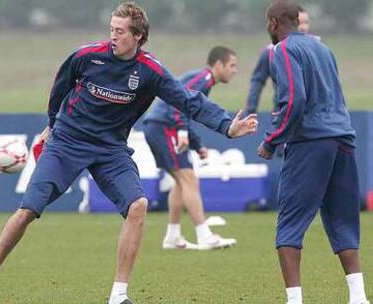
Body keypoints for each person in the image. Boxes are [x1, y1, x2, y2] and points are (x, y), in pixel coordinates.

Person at [0, 2, 258, 304]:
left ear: (138, 36)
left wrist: (227, 126)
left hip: (110, 150)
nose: (113, 37)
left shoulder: (150, 71)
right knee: (28, 210)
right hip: (67, 141)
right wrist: (52, 125)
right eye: (112, 30)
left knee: (138, 205)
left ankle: (118, 296)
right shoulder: (86, 56)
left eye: (120, 32)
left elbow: (189, 100)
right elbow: (59, 88)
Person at [257, 1, 370, 304]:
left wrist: (272, 140)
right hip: (343, 138)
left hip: (310, 142)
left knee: (290, 222)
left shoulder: (282, 50)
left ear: (273, 23)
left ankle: (295, 300)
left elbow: (294, 99)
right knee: (342, 218)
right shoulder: (324, 49)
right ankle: (358, 297)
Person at [143, 46, 238, 250]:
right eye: (232, 65)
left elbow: (189, 112)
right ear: (218, 64)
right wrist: (182, 132)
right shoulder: (202, 78)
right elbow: (178, 102)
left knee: (181, 182)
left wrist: (197, 145)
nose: (235, 70)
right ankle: (204, 235)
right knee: (189, 179)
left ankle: (173, 236)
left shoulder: (204, 81)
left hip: (163, 126)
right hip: (163, 127)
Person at [245, 6, 311, 115]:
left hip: (312, 114)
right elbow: (258, 80)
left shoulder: (318, 50)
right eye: (300, 23)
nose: (303, 27)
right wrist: (251, 109)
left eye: (306, 23)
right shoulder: (272, 51)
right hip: (284, 113)